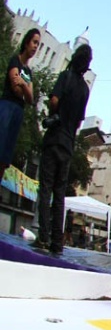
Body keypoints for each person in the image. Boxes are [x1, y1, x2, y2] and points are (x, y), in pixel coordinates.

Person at [35, 44, 92, 254]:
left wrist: (55, 112)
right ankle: (57, 241)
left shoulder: (64, 77)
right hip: (68, 144)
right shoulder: (85, 89)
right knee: (59, 194)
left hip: (54, 138)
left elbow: (54, 100)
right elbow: (79, 122)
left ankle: (43, 236)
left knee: (46, 188)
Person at [0, 28, 40, 177]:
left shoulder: (28, 72)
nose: (35, 47)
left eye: (38, 44)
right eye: (34, 42)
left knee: (5, 156)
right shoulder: (15, 61)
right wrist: (24, 87)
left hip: (18, 112)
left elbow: (30, 98)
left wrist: (23, 84)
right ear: (27, 42)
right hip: (6, 108)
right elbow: (15, 88)